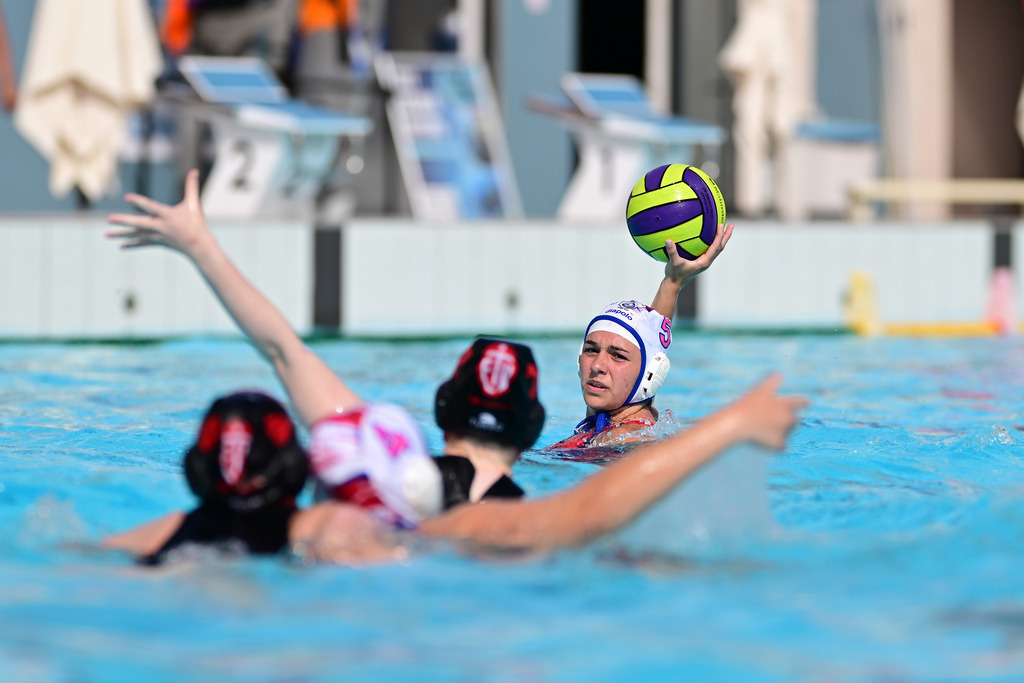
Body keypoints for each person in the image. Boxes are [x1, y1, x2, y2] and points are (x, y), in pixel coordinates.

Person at [105, 172, 804, 560]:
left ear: (441, 409)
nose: (595, 363)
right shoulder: (470, 527)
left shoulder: (366, 470)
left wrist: (201, 247)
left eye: (612, 354)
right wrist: (735, 422)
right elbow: (592, 512)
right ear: (529, 425)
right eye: (590, 348)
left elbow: (284, 347)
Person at [548, 224, 734, 450]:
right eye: (591, 349)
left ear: (649, 375)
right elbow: (649, 344)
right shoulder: (606, 421)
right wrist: (672, 283)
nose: (597, 365)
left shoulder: (626, 442)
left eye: (617, 356)